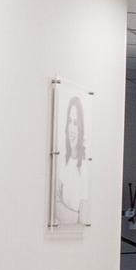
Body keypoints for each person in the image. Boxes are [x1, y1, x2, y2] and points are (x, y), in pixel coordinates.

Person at [52, 94, 88, 227]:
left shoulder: (85, 166)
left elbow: (82, 219)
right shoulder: (62, 161)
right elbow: (52, 203)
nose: (72, 129)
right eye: (70, 121)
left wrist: (60, 207)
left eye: (76, 123)